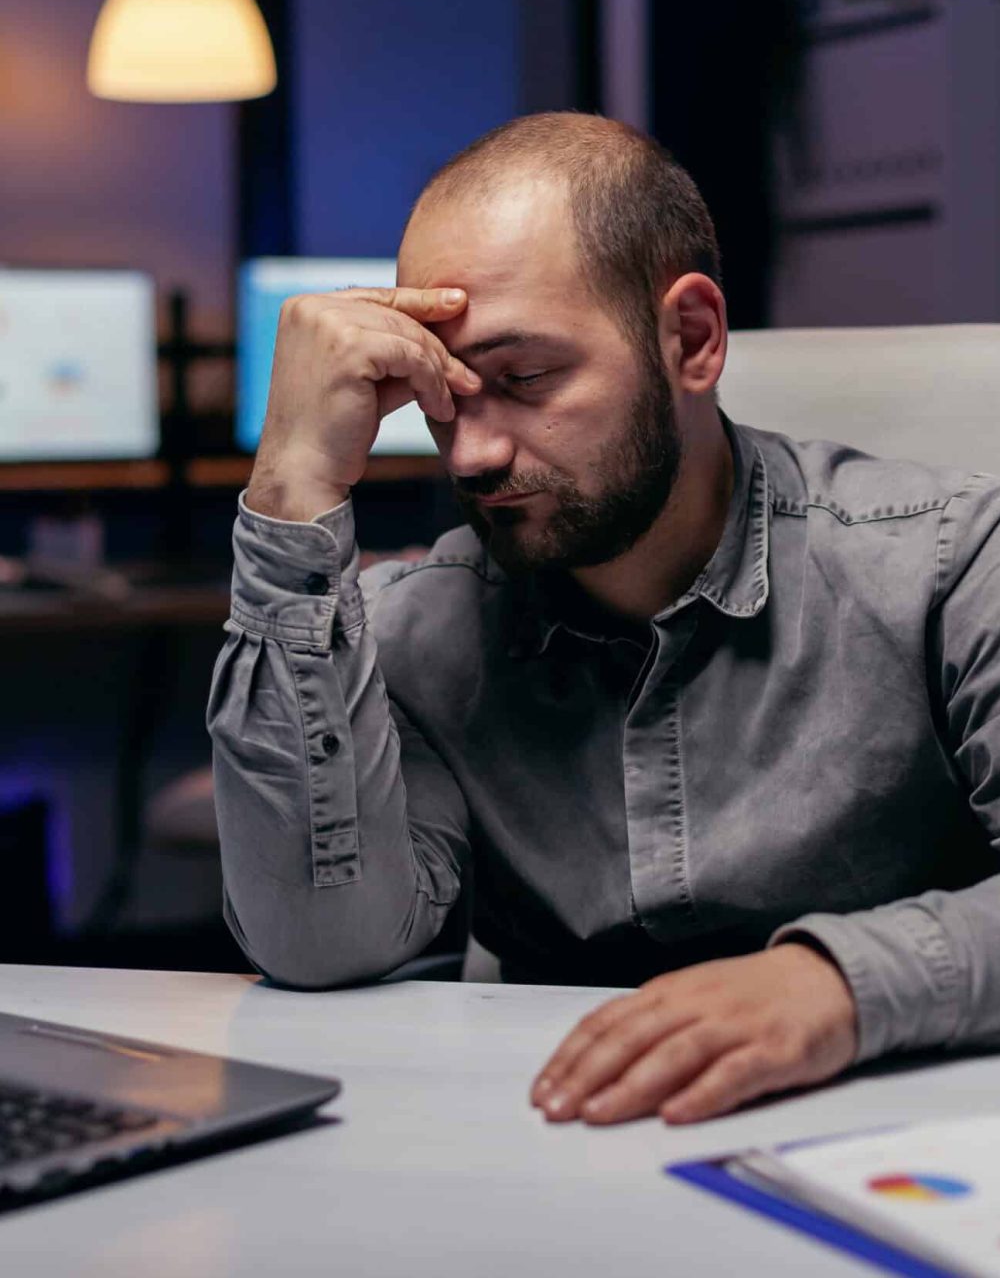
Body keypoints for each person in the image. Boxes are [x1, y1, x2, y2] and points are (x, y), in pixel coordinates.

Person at [208, 112, 1000, 1127]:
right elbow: (318, 946)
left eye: (524, 378)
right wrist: (290, 486)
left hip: (899, 1143)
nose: (470, 455)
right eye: (442, 396)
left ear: (692, 339)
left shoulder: (947, 560)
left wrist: (834, 985)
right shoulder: (413, 630)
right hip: (563, 1150)